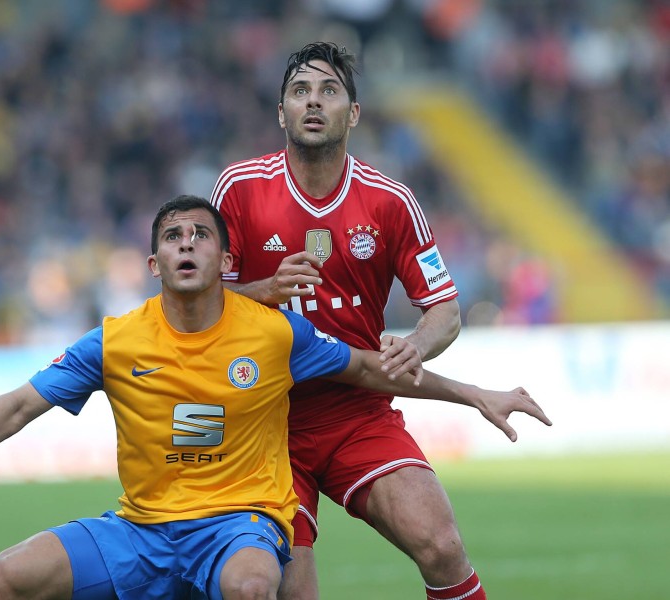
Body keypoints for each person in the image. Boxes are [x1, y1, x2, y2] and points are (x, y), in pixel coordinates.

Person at [0, 196, 550, 600]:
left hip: (238, 525)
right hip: (138, 531)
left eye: (200, 235)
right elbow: (19, 405)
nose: (186, 244)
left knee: (253, 587)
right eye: (173, 237)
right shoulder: (115, 342)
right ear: (154, 263)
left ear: (226, 261)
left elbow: (372, 370)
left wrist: (474, 393)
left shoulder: (273, 331)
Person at [209, 42, 501, 599]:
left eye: (328, 91)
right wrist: (264, 291)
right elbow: (202, 311)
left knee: (441, 544)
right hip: (266, 419)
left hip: (359, 411)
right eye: (300, 91)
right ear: (281, 113)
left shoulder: (390, 201)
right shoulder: (239, 189)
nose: (313, 103)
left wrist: (416, 345)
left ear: (354, 112)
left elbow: (444, 309)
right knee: (286, 591)